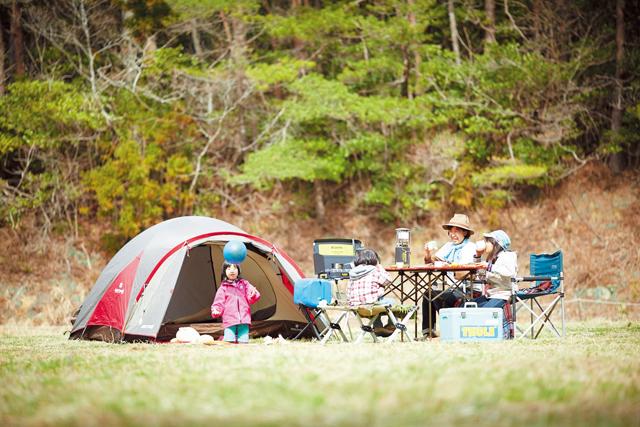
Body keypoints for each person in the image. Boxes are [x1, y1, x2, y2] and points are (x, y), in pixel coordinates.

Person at [421, 213, 477, 338]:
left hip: (467, 288)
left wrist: (447, 264)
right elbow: (432, 262)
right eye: (451, 231)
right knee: (428, 293)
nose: (453, 234)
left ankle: (450, 329)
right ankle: (428, 332)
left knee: (437, 295)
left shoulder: (470, 247)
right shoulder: (449, 246)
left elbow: (464, 271)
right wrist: (428, 254)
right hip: (451, 286)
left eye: (457, 231)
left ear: (465, 233)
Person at [472, 230, 518, 338]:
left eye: (488, 241)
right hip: (491, 294)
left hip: (504, 294)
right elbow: (481, 276)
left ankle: (488, 335)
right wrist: (478, 256)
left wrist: (488, 266)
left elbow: (509, 272)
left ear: (497, 243)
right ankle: (471, 335)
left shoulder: (508, 255)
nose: (485, 243)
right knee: (469, 308)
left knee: (484, 312)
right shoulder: (491, 259)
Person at [347, 248, 395, 336]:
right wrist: (379, 266)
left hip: (356, 307)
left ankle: (378, 327)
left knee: (376, 299)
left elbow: (348, 292)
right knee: (391, 302)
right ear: (374, 260)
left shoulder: (352, 273)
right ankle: (391, 325)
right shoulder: (374, 271)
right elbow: (388, 280)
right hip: (370, 306)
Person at [211, 262, 261, 343]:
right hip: (230, 320)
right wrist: (216, 310)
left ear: (238, 270)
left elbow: (253, 296)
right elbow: (218, 302)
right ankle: (225, 339)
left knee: (243, 342)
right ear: (224, 271)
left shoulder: (245, 284)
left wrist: (253, 295)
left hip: (244, 319)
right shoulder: (223, 288)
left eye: (234, 268)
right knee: (229, 341)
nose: (232, 271)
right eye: (229, 268)